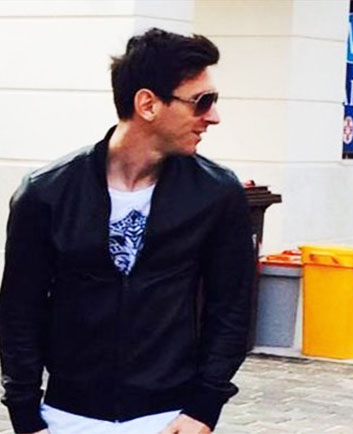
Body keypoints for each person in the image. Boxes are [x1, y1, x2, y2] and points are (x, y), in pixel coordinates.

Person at [0, 28, 254, 434]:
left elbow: (232, 308)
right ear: (147, 104)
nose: (213, 116)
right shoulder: (47, 193)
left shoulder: (216, 194)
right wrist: (26, 416)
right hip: (66, 417)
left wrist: (204, 408)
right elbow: (19, 310)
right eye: (201, 102)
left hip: (170, 418)